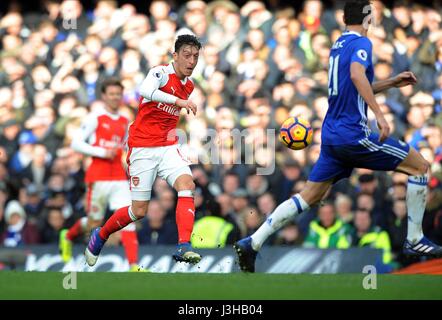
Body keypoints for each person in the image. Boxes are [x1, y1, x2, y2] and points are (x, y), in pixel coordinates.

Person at [234, 0, 442, 272]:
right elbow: (358, 76)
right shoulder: (362, 44)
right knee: (420, 167)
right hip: (353, 134)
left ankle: (253, 242)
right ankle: (414, 238)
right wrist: (378, 114)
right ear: (367, 18)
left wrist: (391, 82)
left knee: (308, 196)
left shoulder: (338, 45)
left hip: (332, 136)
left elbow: (355, 85)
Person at [85, 34, 203, 266]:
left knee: (187, 185)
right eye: (187, 55)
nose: (191, 61)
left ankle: (183, 245)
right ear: (175, 56)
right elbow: (145, 90)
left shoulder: (189, 85)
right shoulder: (159, 73)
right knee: (139, 211)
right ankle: (100, 235)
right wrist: (178, 102)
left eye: (196, 57)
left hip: (168, 145)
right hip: (142, 148)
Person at [59, 78, 143, 272]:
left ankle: (133, 266)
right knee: (93, 222)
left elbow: (123, 149)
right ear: (104, 96)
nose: (115, 97)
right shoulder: (95, 118)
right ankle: (68, 236)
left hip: (118, 178)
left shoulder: (124, 122)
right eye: (111, 94)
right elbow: (76, 143)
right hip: (98, 177)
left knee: (128, 218)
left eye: (118, 94)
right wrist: (101, 152)